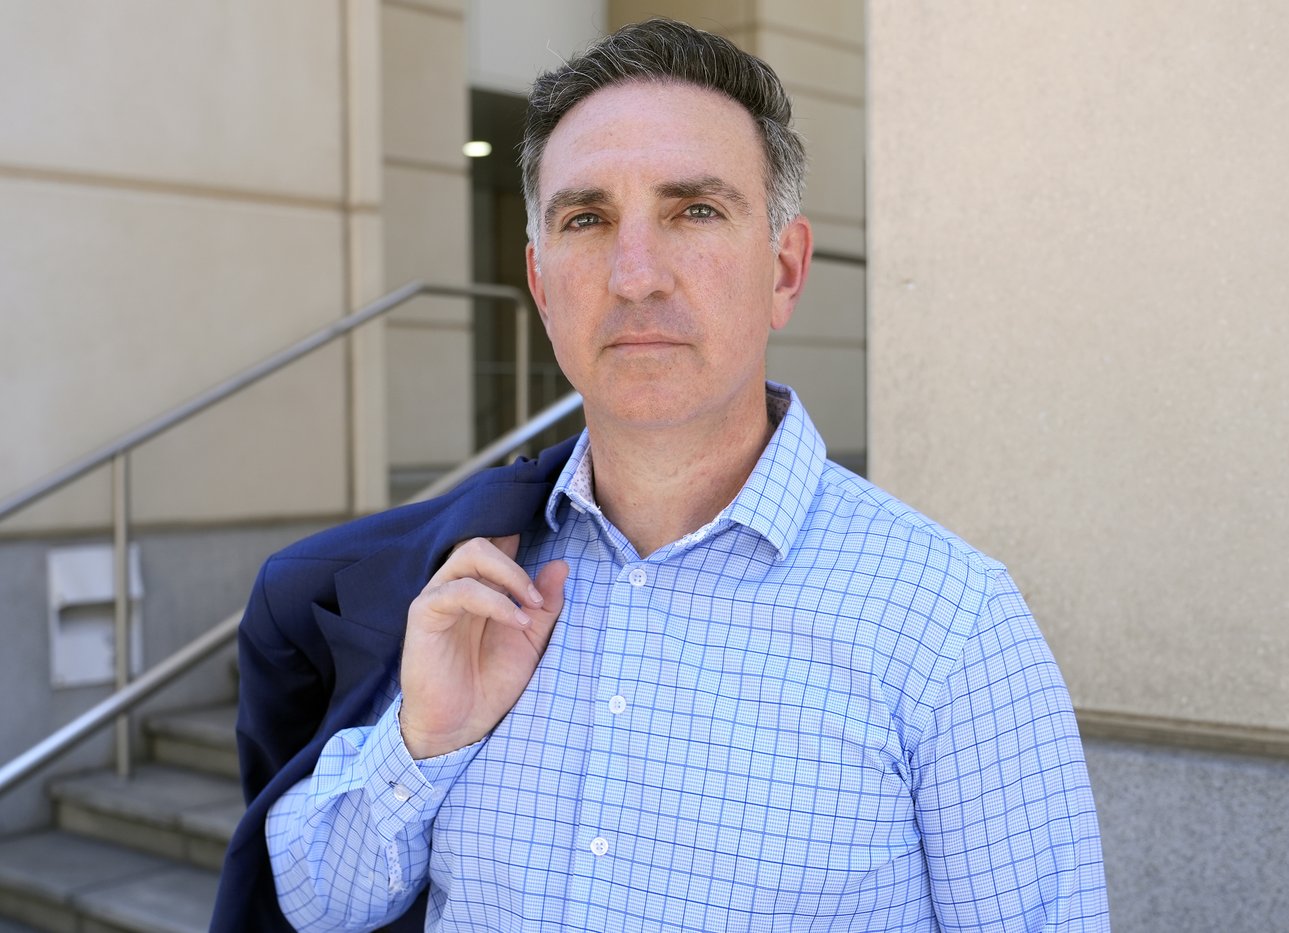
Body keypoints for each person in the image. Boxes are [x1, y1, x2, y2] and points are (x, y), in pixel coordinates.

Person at [213, 18, 1109, 932]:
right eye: (587, 219)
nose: (635, 276)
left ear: (784, 270)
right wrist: (423, 743)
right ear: (541, 284)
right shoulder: (475, 581)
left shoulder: (952, 626)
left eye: (695, 211)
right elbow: (315, 905)